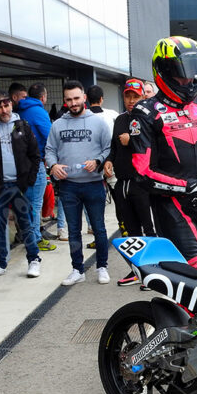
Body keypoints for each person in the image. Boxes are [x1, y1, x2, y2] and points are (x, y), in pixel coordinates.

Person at [130, 36, 197, 269]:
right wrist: (192, 186)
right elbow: (143, 172)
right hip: (171, 208)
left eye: (194, 70)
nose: (189, 78)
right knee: (191, 275)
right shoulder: (145, 112)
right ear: (163, 71)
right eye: (181, 72)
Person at [45, 80, 111, 286]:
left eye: (76, 98)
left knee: (99, 228)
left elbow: (109, 148)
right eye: (69, 99)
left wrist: (99, 161)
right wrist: (53, 166)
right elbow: (49, 150)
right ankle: (77, 269)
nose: (73, 103)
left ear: (84, 97)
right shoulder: (57, 125)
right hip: (69, 186)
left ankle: (102, 267)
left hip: (93, 184)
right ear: (64, 101)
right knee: (73, 231)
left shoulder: (99, 122)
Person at [0, 89, 42, 279]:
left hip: (20, 186)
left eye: (6, 105)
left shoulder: (23, 126)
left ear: (11, 104)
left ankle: (34, 259)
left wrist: (29, 180)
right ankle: (0, 262)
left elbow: (35, 156)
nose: (3, 110)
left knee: (26, 223)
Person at [105, 78, 156, 286]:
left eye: (136, 96)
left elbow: (155, 149)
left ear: (143, 96)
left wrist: (133, 140)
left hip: (142, 182)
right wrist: (108, 160)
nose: (131, 100)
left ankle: (154, 271)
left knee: (149, 228)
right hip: (122, 183)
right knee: (131, 230)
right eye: (128, 95)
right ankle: (137, 271)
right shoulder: (119, 120)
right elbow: (115, 147)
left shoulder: (149, 119)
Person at [16, 82, 63, 245]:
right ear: (43, 97)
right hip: (37, 163)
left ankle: (26, 235)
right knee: (36, 203)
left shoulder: (18, 111)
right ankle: (35, 238)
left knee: (28, 203)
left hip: (19, 164)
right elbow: (51, 137)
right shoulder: (39, 112)